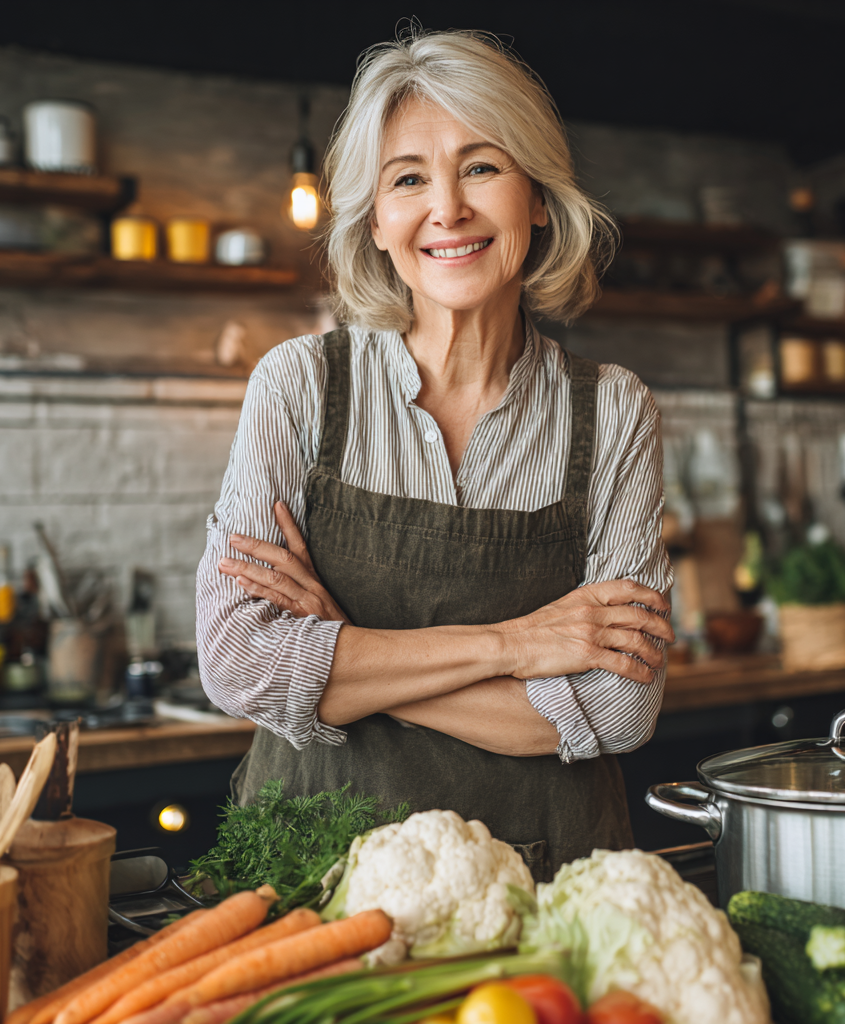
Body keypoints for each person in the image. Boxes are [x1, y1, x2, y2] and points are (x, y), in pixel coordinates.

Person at [196, 29, 674, 880]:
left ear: (536, 198)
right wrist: (518, 645)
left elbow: (619, 705)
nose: (446, 209)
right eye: (408, 178)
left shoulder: (616, 411)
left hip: (543, 893)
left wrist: (344, 645)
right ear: (376, 221)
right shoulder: (298, 384)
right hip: (311, 884)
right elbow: (239, 661)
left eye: (482, 167)